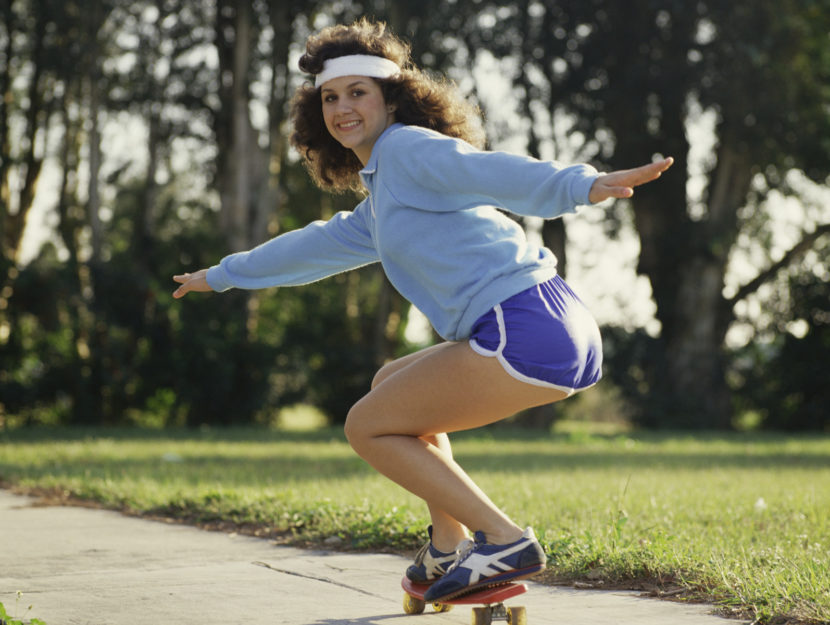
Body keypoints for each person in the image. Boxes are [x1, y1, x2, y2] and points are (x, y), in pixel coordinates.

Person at [172, 18, 673, 602]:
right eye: (330, 97)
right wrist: (224, 274)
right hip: (549, 322)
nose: (342, 108)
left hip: (525, 325)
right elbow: (315, 245)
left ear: (392, 98)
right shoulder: (384, 197)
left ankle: (504, 539)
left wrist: (580, 185)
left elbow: (484, 171)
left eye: (358, 92)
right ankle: (446, 545)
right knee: (391, 385)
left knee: (367, 425)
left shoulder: (406, 149)